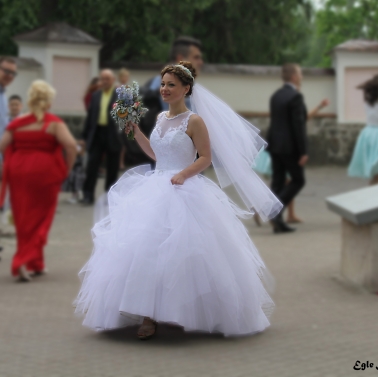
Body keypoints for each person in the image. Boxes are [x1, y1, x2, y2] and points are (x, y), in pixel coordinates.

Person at [74, 62, 282, 340]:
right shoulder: (160, 118)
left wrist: (184, 174)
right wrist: (136, 131)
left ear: (186, 89)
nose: (165, 89)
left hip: (185, 188)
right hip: (156, 187)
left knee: (187, 255)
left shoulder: (194, 121)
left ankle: (184, 312)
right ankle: (147, 315)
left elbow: (205, 157)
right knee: (146, 251)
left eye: (171, 84)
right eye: (163, 84)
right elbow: (156, 154)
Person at [0, 80, 77, 281]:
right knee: (41, 217)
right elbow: (70, 146)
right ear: (49, 102)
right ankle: (22, 260)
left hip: (19, 173)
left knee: (24, 217)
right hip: (45, 173)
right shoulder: (54, 123)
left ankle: (36, 263)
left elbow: (2, 145)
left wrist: (13, 158)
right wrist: (67, 168)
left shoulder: (17, 123)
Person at [253, 97, 329, 225]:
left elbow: (304, 118)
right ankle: (261, 208)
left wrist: (319, 107)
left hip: (277, 150)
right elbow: (305, 118)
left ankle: (289, 214)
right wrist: (319, 107)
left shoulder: (282, 114)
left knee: (286, 184)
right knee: (286, 184)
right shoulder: (291, 117)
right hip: (285, 152)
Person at [266, 63, 308, 234]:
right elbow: (299, 126)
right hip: (289, 147)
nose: (302, 77)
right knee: (298, 180)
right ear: (294, 77)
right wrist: (303, 151)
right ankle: (275, 213)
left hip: (275, 144)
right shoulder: (295, 97)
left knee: (278, 181)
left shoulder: (276, 95)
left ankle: (278, 223)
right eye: (300, 74)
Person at [348, 74, 378, 185]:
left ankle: (372, 195)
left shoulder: (368, 100)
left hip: (368, 133)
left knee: (375, 171)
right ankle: (376, 199)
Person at [80, 69, 120, 205]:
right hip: (97, 133)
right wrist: (84, 136)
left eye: (107, 79)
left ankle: (110, 196)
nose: (105, 81)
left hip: (113, 134)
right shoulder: (96, 95)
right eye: (103, 79)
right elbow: (90, 116)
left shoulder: (120, 95)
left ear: (113, 80)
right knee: (92, 165)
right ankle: (88, 195)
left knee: (112, 167)